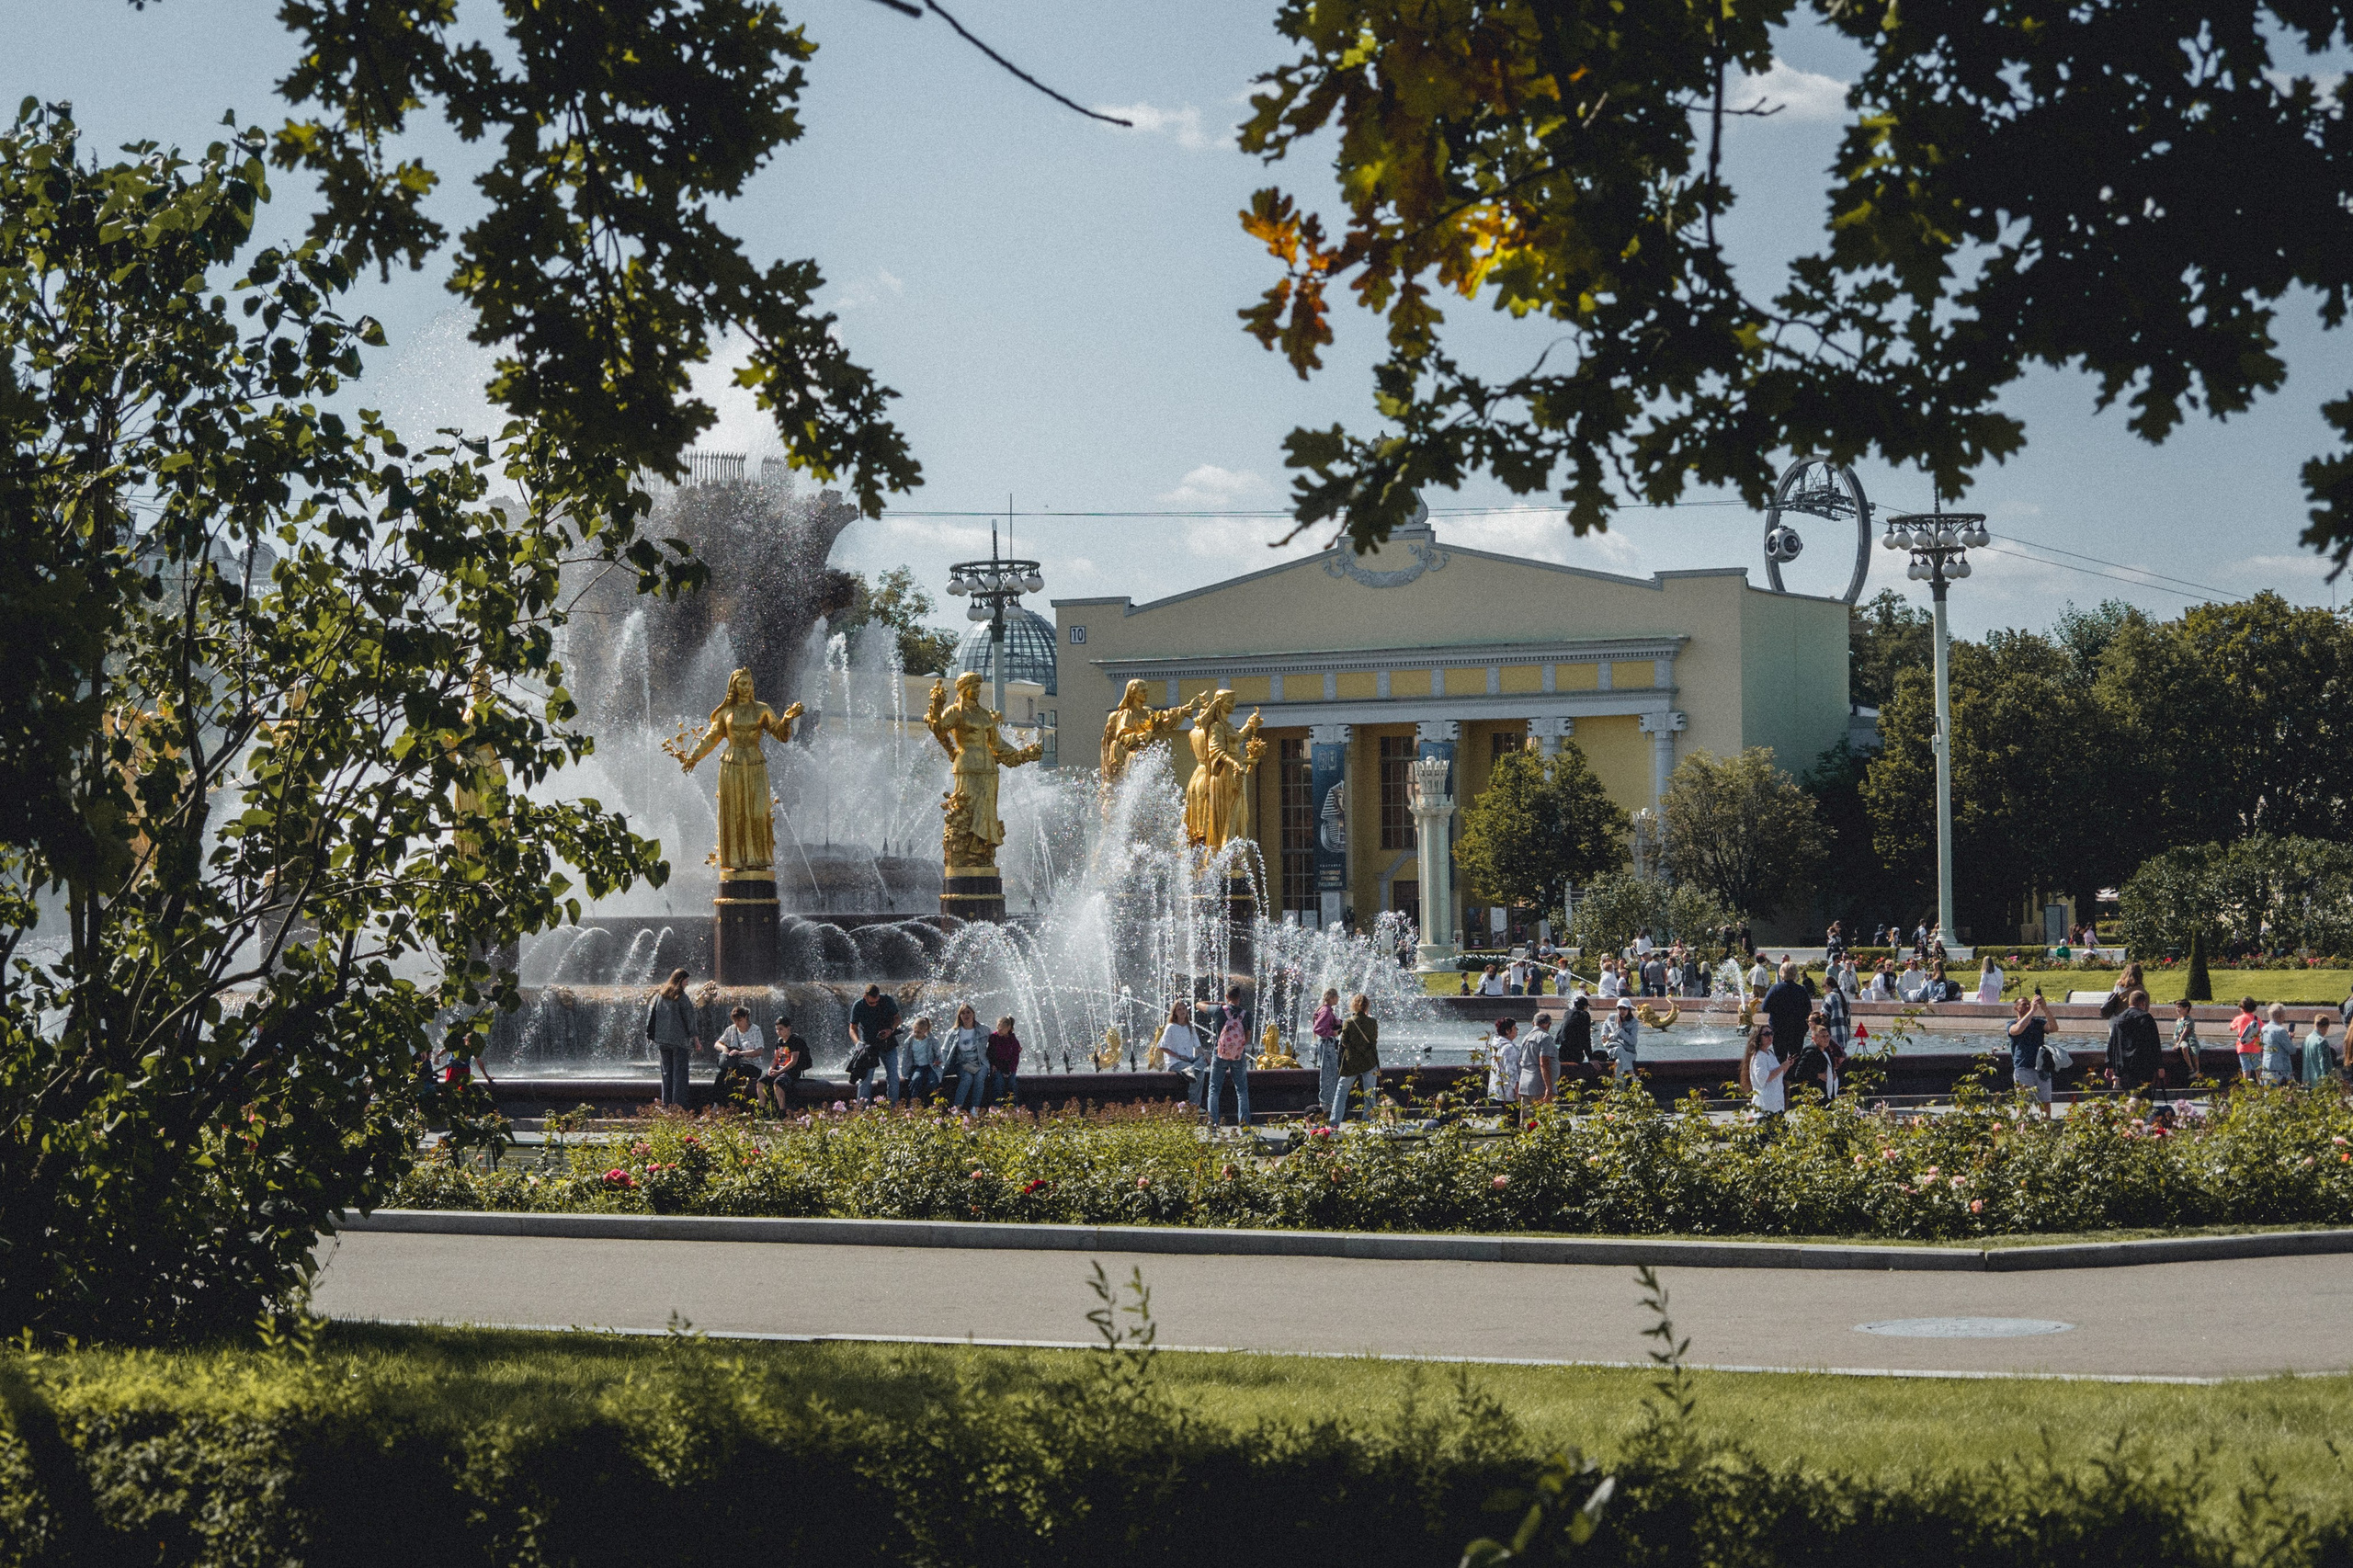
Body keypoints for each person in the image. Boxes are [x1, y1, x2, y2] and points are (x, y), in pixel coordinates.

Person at [644, 967, 700, 1108]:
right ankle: (678, 1107)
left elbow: (653, 1017)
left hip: (662, 1041)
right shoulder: (681, 997)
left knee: (666, 1074)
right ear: (680, 980)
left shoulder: (660, 996)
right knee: (680, 1075)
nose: (687, 984)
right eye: (686, 981)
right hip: (679, 1042)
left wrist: (652, 1035)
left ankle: (666, 1104)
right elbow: (690, 1019)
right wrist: (696, 1039)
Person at [847, 983, 902, 1105]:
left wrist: (891, 1030)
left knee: (893, 1076)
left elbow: (898, 1018)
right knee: (865, 1078)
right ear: (865, 996)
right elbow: (852, 1028)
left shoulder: (887, 1000)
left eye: (877, 1001)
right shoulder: (858, 1005)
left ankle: (894, 1108)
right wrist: (857, 1043)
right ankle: (862, 1110)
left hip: (888, 1043)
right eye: (872, 1003)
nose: (875, 1004)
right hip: (869, 1046)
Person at [1205, 988, 1253, 1128]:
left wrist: (1217, 1003)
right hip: (1238, 1056)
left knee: (1214, 1089)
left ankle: (1212, 1123)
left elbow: (1198, 1004)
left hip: (1220, 1054)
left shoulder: (1219, 1011)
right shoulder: (1246, 1014)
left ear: (1227, 996)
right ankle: (1244, 1125)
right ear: (1240, 997)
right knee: (1242, 1090)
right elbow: (1247, 1038)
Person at [2105, 987, 2165, 1096]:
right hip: (2143, 1065)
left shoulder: (2119, 1019)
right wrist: (2159, 1066)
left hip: (2122, 1066)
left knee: (2128, 1096)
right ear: (2143, 1003)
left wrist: (2109, 1065)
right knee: (2143, 1096)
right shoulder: (2145, 1018)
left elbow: (2112, 1043)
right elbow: (2154, 1043)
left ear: (2129, 1002)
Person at [1332, 993, 1381, 1124]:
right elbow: (1373, 1042)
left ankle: (1334, 1123)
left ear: (1353, 1005)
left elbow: (1343, 1042)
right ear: (1367, 1006)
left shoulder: (1348, 1022)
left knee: (1341, 1093)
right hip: (1369, 1062)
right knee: (1370, 1094)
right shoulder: (1372, 1022)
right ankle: (1368, 1121)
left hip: (1351, 1063)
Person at [2007, 994, 2055, 1119]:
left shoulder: (2038, 1023)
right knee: (2024, 1105)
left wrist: (2045, 1008)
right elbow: (2017, 1030)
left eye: (2029, 1003)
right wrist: (2033, 1010)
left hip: (2042, 1069)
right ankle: (2022, 1134)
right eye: (2024, 1004)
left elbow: (2054, 1028)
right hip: (2023, 1069)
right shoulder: (2012, 1023)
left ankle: (2045, 1132)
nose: (2028, 1006)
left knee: (2045, 1104)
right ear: (2015, 1008)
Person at [1155, 999, 1207, 1110]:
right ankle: (1194, 1105)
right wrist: (1178, 1056)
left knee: (1207, 1056)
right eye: (1179, 1009)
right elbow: (1161, 1046)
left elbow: (1198, 1047)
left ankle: (1192, 1069)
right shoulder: (1171, 1027)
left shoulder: (1190, 1028)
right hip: (1175, 1062)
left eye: (1184, 1008)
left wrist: (1206, 1056)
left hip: (1189, 1061)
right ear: (1175, 1013)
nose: (1182, 1011)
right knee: (1200, 1074)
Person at [1759, 962, 1813, 1066]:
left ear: (1781, 973)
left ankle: (1781, 1079)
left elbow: (1764, 1008)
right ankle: (1794, 1080)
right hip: (1797, 1028)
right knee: (1796, 1056)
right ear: (1795, 975)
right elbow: (1808, 1009)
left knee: (1780, 1057)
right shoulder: (1801, 990)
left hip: (1779, 1028)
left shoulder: (1775, 989)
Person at [713, 1005, 766, 1108]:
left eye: (739, 1020)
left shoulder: (755, 1030)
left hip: (752, 1065)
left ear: (746, 1017)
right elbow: (717, 1044)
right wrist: (724, 1049)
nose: (736, 1023)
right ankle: (716, 1104)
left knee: (733, 1077)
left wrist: (741, 1053)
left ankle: (733, 1106)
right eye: (734, 1020)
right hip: (734, 1064)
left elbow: (759, 1051)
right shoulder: (731, 1029)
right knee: (720, 1076)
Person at [945, 1003, 991, 1116]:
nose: (966, 1015)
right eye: (963, 1013)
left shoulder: (984, 1030)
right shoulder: (953, 1032)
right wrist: (941, 1064)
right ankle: (956, 1109)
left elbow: (995, 1045)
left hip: (981, 1062)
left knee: (980, 1077)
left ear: (973, 1014)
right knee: (967, 1078)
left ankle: (975, 1109)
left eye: (968, 1012)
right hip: (963, 1063)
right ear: (959, 1016)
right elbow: (945, 1050)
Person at [761, 1015, 807, 1114]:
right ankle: (762, 1110)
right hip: (779, 1069)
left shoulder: (795, 1040)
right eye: (777, 1029)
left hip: (792, 1071)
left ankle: (782, 1111)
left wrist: (778, 1072)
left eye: (781, 1029)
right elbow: (775, 1058)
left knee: (778, 1083)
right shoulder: (779, 1042)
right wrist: (770, 1069)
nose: (778, 1032)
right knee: (761, 1082)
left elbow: (793, 1062)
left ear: (788, 1028)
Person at [1742, 1023, 1788, 1119]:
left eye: (1771, 1033)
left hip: (1777, 1103)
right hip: (1765, 1106)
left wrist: (1787, 1065)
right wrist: (1781, 1067)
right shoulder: (1758, 1056)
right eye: (1766, 1034)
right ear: (1758, 1037)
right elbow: (1764, 1078)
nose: (1770, 1037)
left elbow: (1779, 1075)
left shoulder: (1770, 1053)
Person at [1310, 988, 1343, 1120]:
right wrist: (1333, 1033)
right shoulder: (1326, 1010)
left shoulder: (1325, 1009)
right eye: (1336, 997)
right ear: (1331, 997)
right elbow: (1317, 1028)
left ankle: (1327, 1102)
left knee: (1330, 1073)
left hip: (1327, 1044)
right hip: (1327, 1044)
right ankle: (1326, 1105)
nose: (1338, 999)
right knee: (1328, 1074)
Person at [1517, 1011, 1560, 1107]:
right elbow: (1544, 1063)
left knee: (1527, 1120)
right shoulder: (1545, 1037)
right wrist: (1549, 1088)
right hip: (1539, 1087)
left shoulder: (1526, 1037)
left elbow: (1520, 1061)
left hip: (1525, 1085)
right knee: (1545, 1119)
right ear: (1549, 1025)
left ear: (1533, 1023)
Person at [901, 1013, 941, 1103]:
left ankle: (933, 1103)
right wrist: (905, 1070)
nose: (916, 1034)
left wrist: (938, 1061)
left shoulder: (932, 1040)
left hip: (930, 1066)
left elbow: (938, 1053)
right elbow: (906, 1056)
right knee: (916, 1079)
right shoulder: (909, 1041)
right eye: (914, 1031)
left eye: (918, 1032)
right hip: (918, 1067)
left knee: (933, 1081)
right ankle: (913, 1102)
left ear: (925, 1030)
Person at [986, 1014, 1023, 1108]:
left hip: (1010, 1067)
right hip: (997, 1066)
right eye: (998, 1027)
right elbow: (990, 1053)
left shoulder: (1013, 1040)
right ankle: (996, 1105)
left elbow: (1015, 1057)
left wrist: (1011, 1069)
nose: (999, 1030)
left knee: (1012, 1083)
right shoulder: (993, 1038)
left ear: (1009, 1028)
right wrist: (993, 1064)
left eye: (1001, 1028)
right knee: (998, 1082)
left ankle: (1015, 1106)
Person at [1600, 997, 1640, 1076]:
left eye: (1624, 1008)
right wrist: (1604, 1035)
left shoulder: (1634, 1022)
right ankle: (1632, 1074)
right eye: (1619, 1008)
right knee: (1618, 1049)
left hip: (1629, 1052)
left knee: (1619, 1062)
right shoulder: (1612, 1017)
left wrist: (1620, 1030)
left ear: (1629, 1009)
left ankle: (1619, 1088)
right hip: (1614, 1050)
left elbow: (1633, 1041)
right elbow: (1605, 1025)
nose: (1622, 1011)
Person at [2259, 1002, 2296, 1085]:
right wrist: (2289, 1039)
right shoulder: (2280, 1031)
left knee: (2268, 1095)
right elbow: (2292, 1050)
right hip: (2280, 1069)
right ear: (2280, 1016)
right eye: (2284, 1016)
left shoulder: (2264, 1029)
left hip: (2266, 1067)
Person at [1488, 1018, 1523, 1106]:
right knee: (1515, 1118)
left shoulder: (1497, 1044)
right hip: (1509, 1093)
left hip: (1498, 1090)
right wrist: (1518, 1090)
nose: (1517, 1030)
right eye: (1515, 1028)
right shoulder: (1508, 1048)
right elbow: (1511, 1072)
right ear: (1508, 1031)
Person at [2232, 996, 2264, 1086]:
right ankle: (2261, 1087)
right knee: (2258, 1068)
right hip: (2255, 1047)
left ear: (2242, 1008)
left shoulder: (2238, 1018)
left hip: (2243, 1047)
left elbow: (2231, 1028)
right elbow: (2262, 1029)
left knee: (2246, 1069)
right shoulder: (2257, 1019)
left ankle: (2246, 1089)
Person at [2169, 999, 2201, 1087]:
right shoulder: (2179, 1020)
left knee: (2195, 1052)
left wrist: (2178, 1043)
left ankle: (2197, 1070)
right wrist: (2177, 1043)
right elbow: (2178, 1033)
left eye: (2179, 1007)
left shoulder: (2189, 1020)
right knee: (2184, 1048)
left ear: (2186, 1008)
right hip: (2182, 1041)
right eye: (2176, 1007)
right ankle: (2191, 1069)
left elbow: (2185, 1033)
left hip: (2190, 1040)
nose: (2177, 1009)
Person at [2305, 1012, 2342, 1087]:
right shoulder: (2322, 1042)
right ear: (2325, 1027)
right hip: (2319, 1082)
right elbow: (2325, 1065)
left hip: (2308, 1080)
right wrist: (2328, 1082)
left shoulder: (2307, 1039)